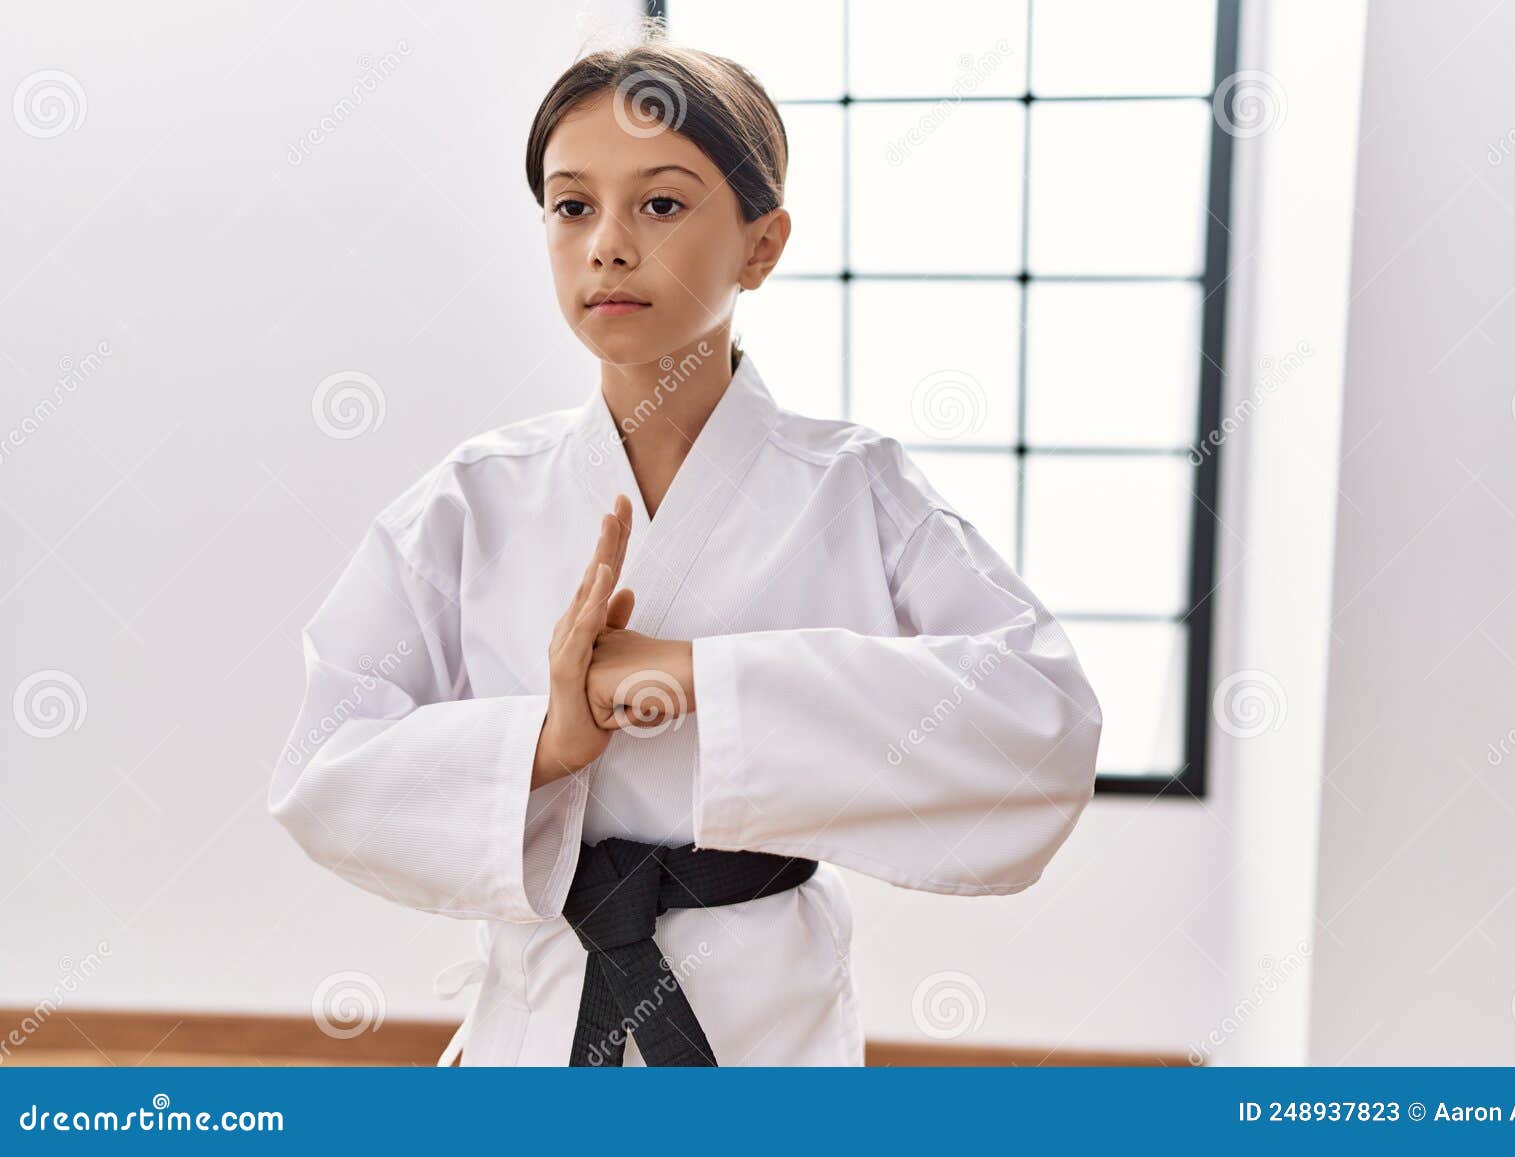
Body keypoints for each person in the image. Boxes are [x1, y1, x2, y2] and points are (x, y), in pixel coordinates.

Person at [267, 30, 1103, 1067]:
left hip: (768, 1023)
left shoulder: (854, 488)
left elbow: (1041, 724)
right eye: (572, 206)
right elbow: (325, 766)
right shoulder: (472, 501)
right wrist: (545, 743)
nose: (608, 245)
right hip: (536, 1017)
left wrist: (700, 674)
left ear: (762, 244)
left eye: (661, 204)